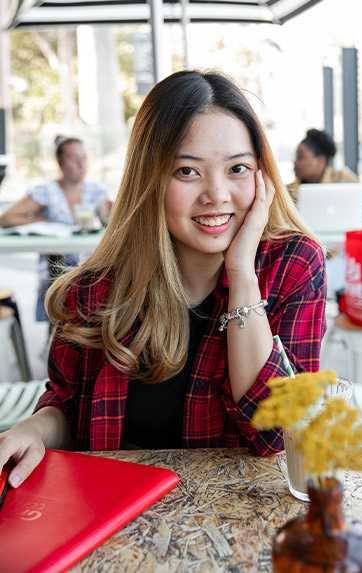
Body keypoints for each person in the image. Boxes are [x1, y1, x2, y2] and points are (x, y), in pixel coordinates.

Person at [0, 70, 327, 489]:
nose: (216, 194)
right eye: (188, 171)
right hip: (115, 514)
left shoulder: (293, 265)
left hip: (238, 518)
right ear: (149, 178)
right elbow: (67, 407)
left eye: (237, 168)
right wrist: (35, 428)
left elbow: (278, 433)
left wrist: (242, 275)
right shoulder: (96, 289)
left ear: (262, 177)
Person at [0, 136, 112, 321]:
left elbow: (107, 220)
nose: (81, 164)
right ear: (60, 163)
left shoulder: (95, 190)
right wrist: (44, 221)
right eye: (74, 159)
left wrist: (109, 211)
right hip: (59, 271)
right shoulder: (48, 191)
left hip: (94, 266)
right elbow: (5, 218)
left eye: (84, 158)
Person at [288, 128, 362, 226]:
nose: (295, 162)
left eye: (300, 157)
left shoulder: (344, 180)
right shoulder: (288, 191)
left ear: (320, 161)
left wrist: (342, 215)